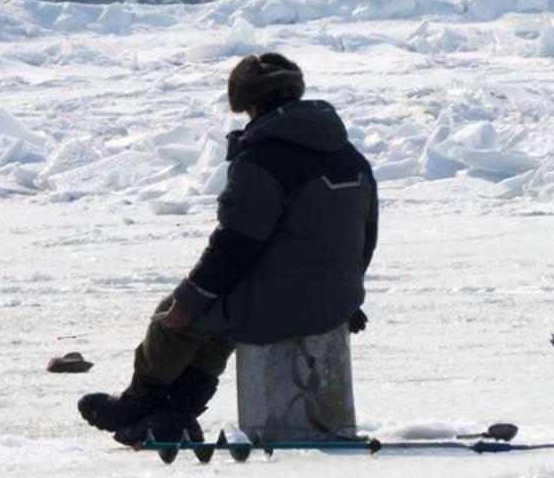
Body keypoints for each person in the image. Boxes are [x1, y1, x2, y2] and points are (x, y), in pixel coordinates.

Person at [79, 53, 378, 446]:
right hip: (338, 298)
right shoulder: (349, 155)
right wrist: (347, 297)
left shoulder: (263, 158)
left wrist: (187, 301)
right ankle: (174, 413)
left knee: (176, 319)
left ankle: (140, 403)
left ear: (249, 105)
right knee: (218, 316)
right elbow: (364, 235)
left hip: (286, 302)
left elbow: (235, 245)